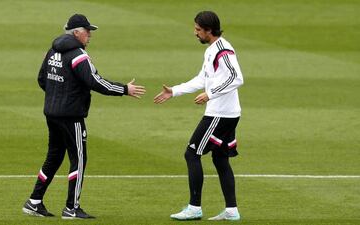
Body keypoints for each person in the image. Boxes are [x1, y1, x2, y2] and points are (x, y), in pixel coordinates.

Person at [22, 13, 146, 219]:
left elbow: (42, 79)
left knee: (54, 156)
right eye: (87, 31)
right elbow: (95, 82)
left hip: (52, 113)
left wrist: (57, 96)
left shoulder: (53, 50)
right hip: (71, 116)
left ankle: (34, 202)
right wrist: (124, 89)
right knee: (78, 159)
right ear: (76, 32)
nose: (90, 35)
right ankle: (72, 207)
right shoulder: (78, 55)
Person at [154, 11, 243, 221]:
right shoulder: (212, 50)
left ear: (209, 30)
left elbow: (236, 77)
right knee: (220, 159)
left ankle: (194, 207)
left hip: (220, 114)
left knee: (191, 153)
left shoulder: (223, 50)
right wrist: (174, 91)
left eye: (198, 30)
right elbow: (202, 79)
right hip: (227, 113)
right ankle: (231, 210)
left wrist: (210, 94)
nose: (195, 33)